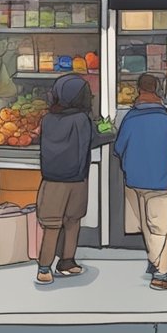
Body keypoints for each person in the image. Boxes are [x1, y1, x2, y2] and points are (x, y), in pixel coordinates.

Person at [35, 73, 114, 285]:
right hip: (77, 180)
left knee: (51, 225)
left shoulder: (47, 120)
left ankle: (45, 267)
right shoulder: (82, 119)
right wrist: (111, 130)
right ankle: (66, 262)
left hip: (51, 181)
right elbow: (96, 139)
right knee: (72, 222)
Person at [113, 74, 167, 291]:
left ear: (138, 91)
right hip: (160, 182)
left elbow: (118, 149)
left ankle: (155, 262)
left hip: (134, 180)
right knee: (161, 228)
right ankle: (161, 274)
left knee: (146, 225)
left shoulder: (129, 119)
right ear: (158, 91)